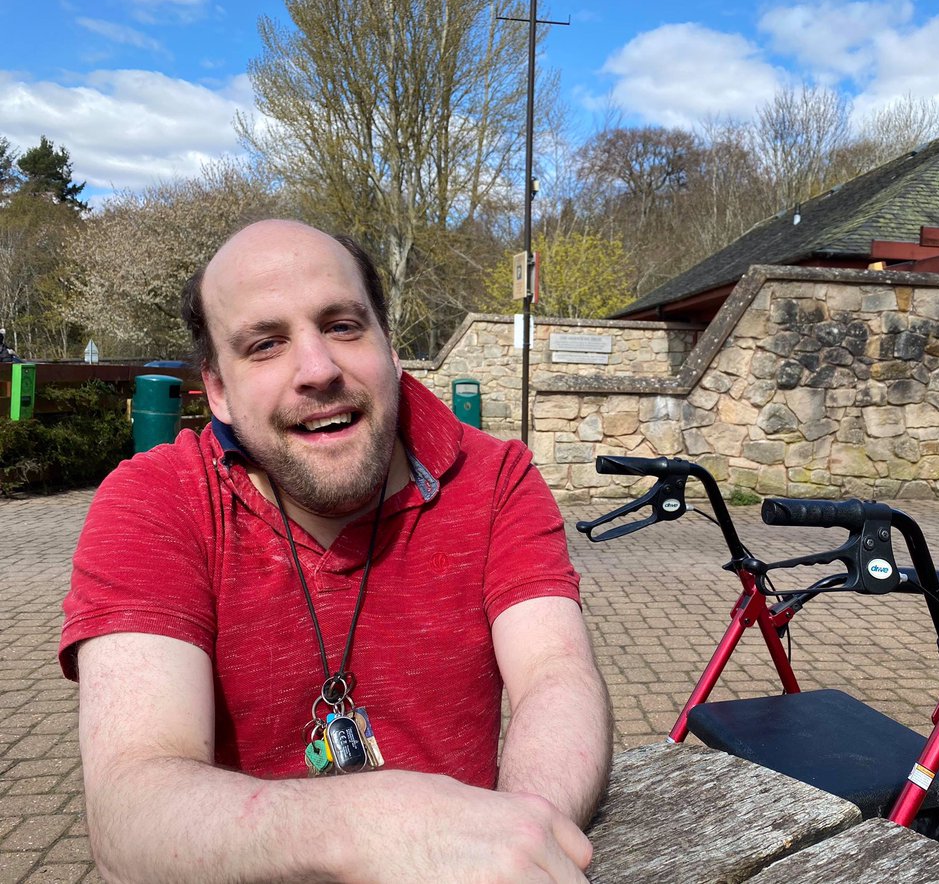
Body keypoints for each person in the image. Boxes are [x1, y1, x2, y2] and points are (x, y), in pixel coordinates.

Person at [59, 219, 613, 882]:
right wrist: (375, 828)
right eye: (265, 344)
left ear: (391, 346)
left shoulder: (497, 479)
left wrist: (520, 834)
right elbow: (132, 809)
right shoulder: (154, 502)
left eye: (344, 326)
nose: (317, 370)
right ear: (218, 392)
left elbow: (557, 677)